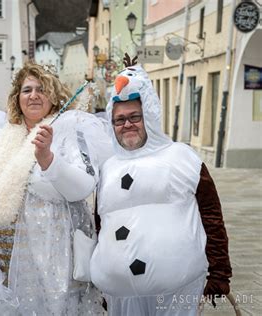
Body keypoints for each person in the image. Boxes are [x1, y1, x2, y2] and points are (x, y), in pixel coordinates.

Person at [0, 62, 112, 315]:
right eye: (26, 90)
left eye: (41, 89)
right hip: (3, 254)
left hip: (54, 256)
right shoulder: (0, 137)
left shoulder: (69, 131)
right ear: (17, 98)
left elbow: (83, 188)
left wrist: (48, 159)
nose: (33, 95)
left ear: (54, 96)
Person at [90, 60, 232, 315]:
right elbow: (100, 224)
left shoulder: (183, 157)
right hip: (121, 294)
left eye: (135, 117)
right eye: (119, 120)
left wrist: (220, 271)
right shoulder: (107, 168)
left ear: (150, 116)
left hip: (177, 288)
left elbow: (211, 217)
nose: (127, 125)